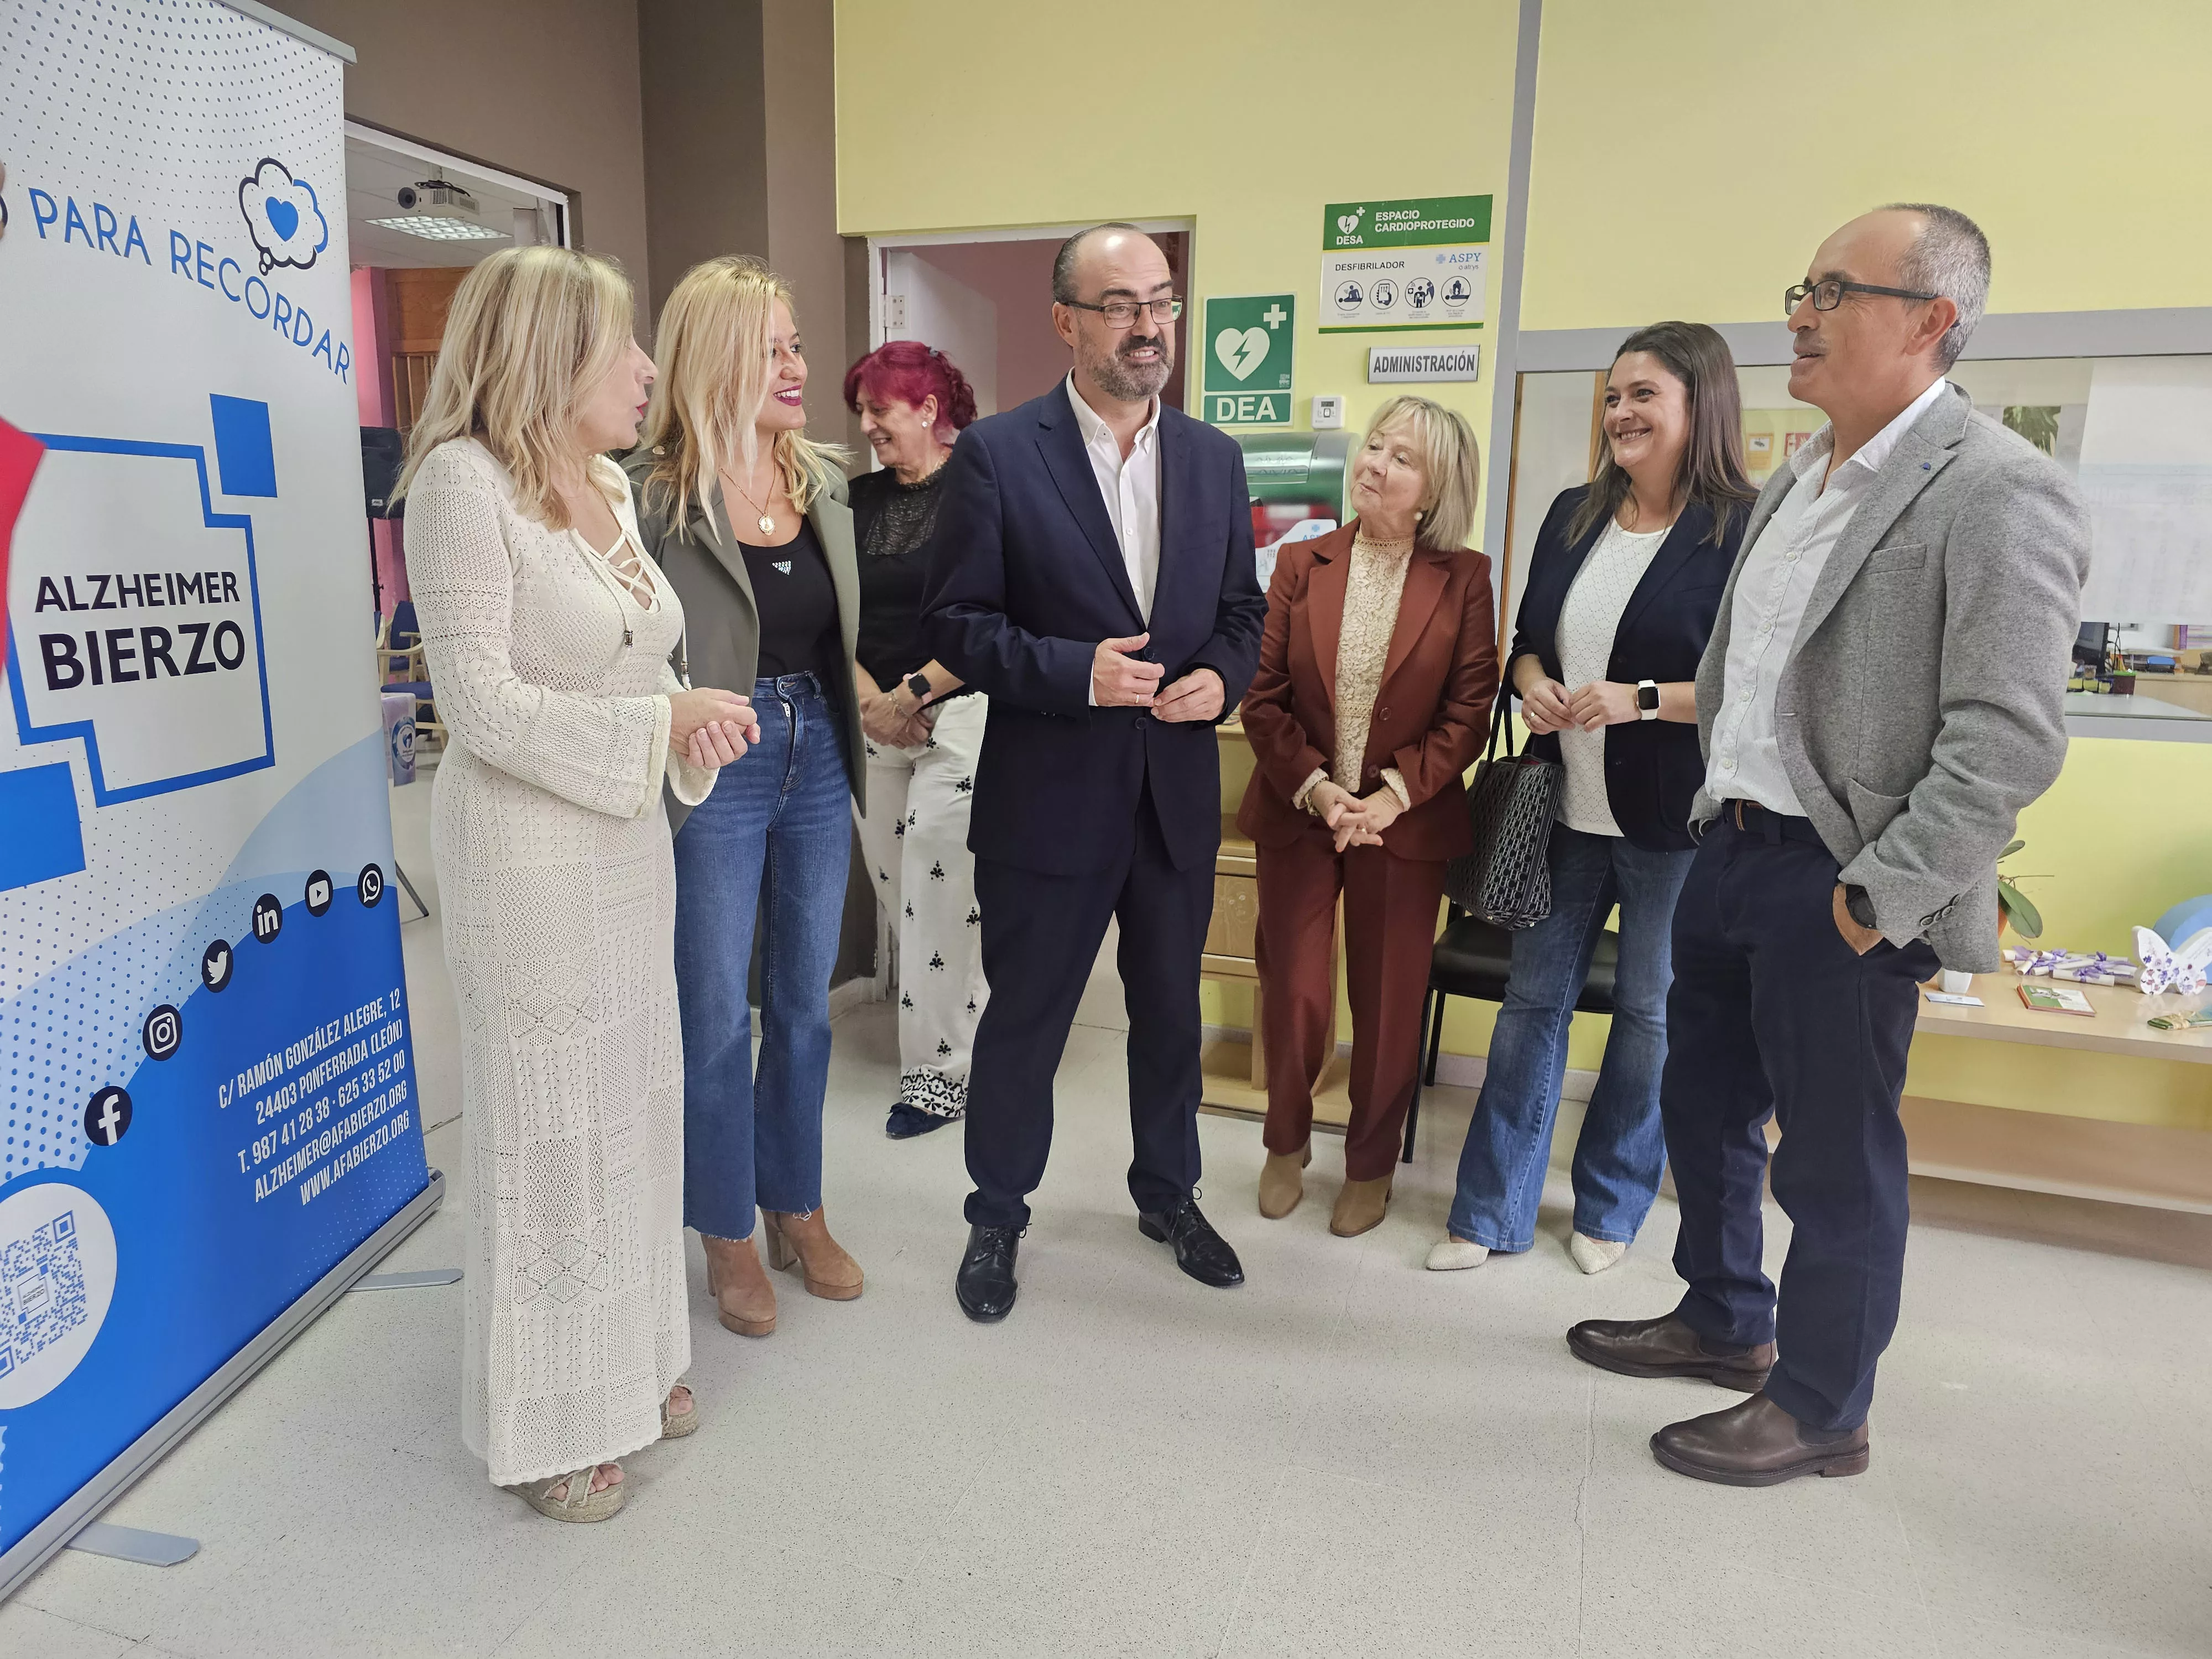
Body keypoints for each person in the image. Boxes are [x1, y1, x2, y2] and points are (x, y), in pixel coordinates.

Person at [1567, 205, 2090, 1485]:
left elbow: (2007, 738)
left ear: (1929, 322)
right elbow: (1741, 665)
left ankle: (1820, 1406)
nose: (1794, 314)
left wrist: (1876, 897)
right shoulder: (1799, 475)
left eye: (1830, 291)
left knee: (1835, 1161)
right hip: (1727, 850)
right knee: (1697, 1105)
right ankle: (1723, 1318)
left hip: (1840, 880)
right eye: (1796, 287)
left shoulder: (1996, 490)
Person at [398, 246, 757, 1522]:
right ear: (550, 355)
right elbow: (479, 701)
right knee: (552, 1127)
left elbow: (623, 660)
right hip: (522, 854)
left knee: (634, 1103)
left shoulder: (602, 480)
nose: (647, 369)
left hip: (620, 845)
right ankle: (549, 1421)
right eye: (624, 345)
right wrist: (653, 730)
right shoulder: (459, 485)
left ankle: (635, 1359)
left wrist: (681, 716)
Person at [922, 223, 1266, 1322]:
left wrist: (1222, 680)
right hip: (1048, 804)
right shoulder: (997, 454)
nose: (1147, 325)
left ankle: (1167, 1192)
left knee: (1171, 1015)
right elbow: (961, 627)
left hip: (1170, 799)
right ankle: (997, 1212)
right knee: (1025, 1019)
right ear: (1065, 320)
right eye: (1120, 304)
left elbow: (1239, 616)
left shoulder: (1211, 458)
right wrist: (1076, 673)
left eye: (1160, 301)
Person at [1430, 323, 1754, 1276]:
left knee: (1650, 1021)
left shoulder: (1742, 527)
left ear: (1701, 405)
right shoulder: (1576, 512)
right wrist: (1531, 681)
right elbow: (1529, 637)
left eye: (1644, 395)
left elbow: (1753, 681)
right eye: (1614, 397)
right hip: (1561, 812)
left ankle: (1611, 1207)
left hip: (1671, 826)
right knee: (1532, 1008)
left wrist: (1640, 701)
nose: (1621, 413)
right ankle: (1490, 1211)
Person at [627, 255, 867, 1339]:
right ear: (714, 356)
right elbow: (624, 651)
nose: (795, 365)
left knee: (806, 1001)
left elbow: (831, 636)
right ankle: (724, 1228)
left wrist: (877, 699)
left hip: (815, 744)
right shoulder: (647, 494)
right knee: (716, 1011)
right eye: (771, 346)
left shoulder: (823, 481)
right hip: (709, 760)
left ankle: (795, 1204)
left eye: (796, 343)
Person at [1238, 397, 1496, 1237]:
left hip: (1403, 821)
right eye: (1375, 445)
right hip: (1302, 811)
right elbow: (1265, 697)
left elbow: (1470, 709)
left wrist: (1390, 795)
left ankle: (1370, 1164)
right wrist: (1318, 788)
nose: (1375, 464)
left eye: (1402, 458)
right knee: (1298, 991)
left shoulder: (1465, 578)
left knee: (1388, 1004)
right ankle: (1284, 1142)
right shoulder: (1300, 563)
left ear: (1435, 490)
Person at [842, 341, 989, 1139]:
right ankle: (973, 1024)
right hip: (873, 712)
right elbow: (829, 608)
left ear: (930, 410)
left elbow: (1002, 610)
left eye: (880, 409)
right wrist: (874, 700)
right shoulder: (851, 499)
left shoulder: (987, 489)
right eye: (861, 410)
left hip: (961, 706)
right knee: (899, 885)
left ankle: (940, 1074)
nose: (866, 425)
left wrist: (916, 693)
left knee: (939, 872)